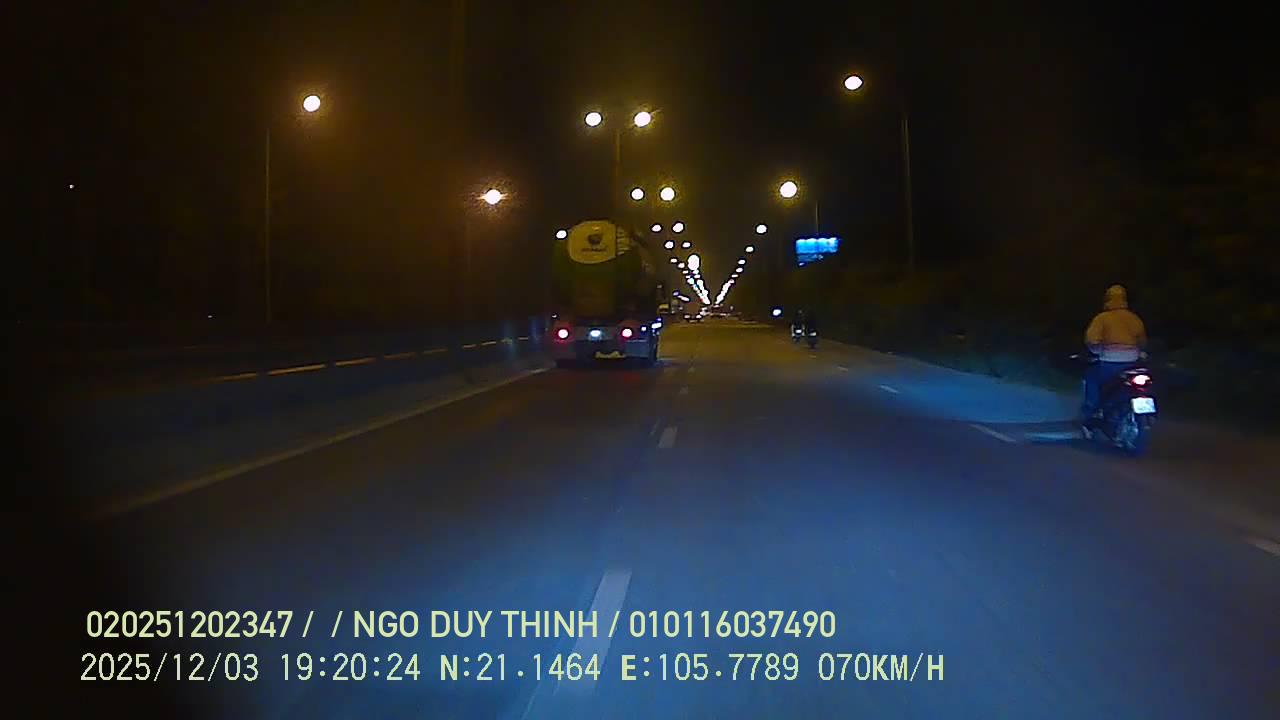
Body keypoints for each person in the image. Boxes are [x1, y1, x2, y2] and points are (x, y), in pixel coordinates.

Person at [1082, 284, 1147, 424]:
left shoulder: (1102, 319)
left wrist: (1096, 350)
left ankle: (1093, 412)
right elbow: (1142, 341)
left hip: (1109, 362)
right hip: (1132, 362)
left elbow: (1092, 340)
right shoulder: (1134, 319)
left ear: (1107, 299)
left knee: (1091, 378)